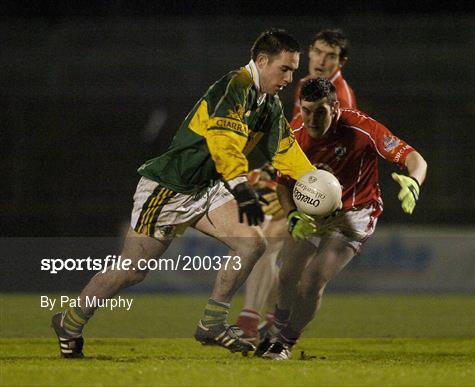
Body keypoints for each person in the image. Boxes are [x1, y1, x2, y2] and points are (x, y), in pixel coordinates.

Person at [50, 29, 316, 358]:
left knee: (253, 242)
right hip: (169, 189)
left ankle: (212, 323)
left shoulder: (269, 104)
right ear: (261, 61)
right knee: (132, 270)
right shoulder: (234, 88)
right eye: (285, 69)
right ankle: (70, 321)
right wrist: (242, 188)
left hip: (205, 190)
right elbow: (223, 143)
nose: (290, 78)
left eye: (293, 70)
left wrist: (314, 181)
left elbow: (285, 150)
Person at [258, 77, 428, 360]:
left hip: (355, 212)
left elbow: (415, 158)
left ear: (335, 107)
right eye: (306, 110)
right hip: (314, 211)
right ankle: (276, 329)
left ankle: (285, 342)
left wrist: (414, 182)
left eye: (320, 111)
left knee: (312, 279)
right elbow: (283, 184)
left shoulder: (361, 127)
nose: (312, 119)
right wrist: (291, 216)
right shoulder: (294, 134)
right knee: (287, 275)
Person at [236, 29, 358, 341]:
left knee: (268, 243)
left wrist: (289, 180)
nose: (321, 59)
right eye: (317, 51)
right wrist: (271, 168)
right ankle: (270, 322)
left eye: (330, 55)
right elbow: (294, 140)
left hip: (322, 187)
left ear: (341, 61)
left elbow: (326, 153)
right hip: (306, 180)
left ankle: (255, 324)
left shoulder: (337, 97)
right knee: (279, 251)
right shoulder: (306, 86)